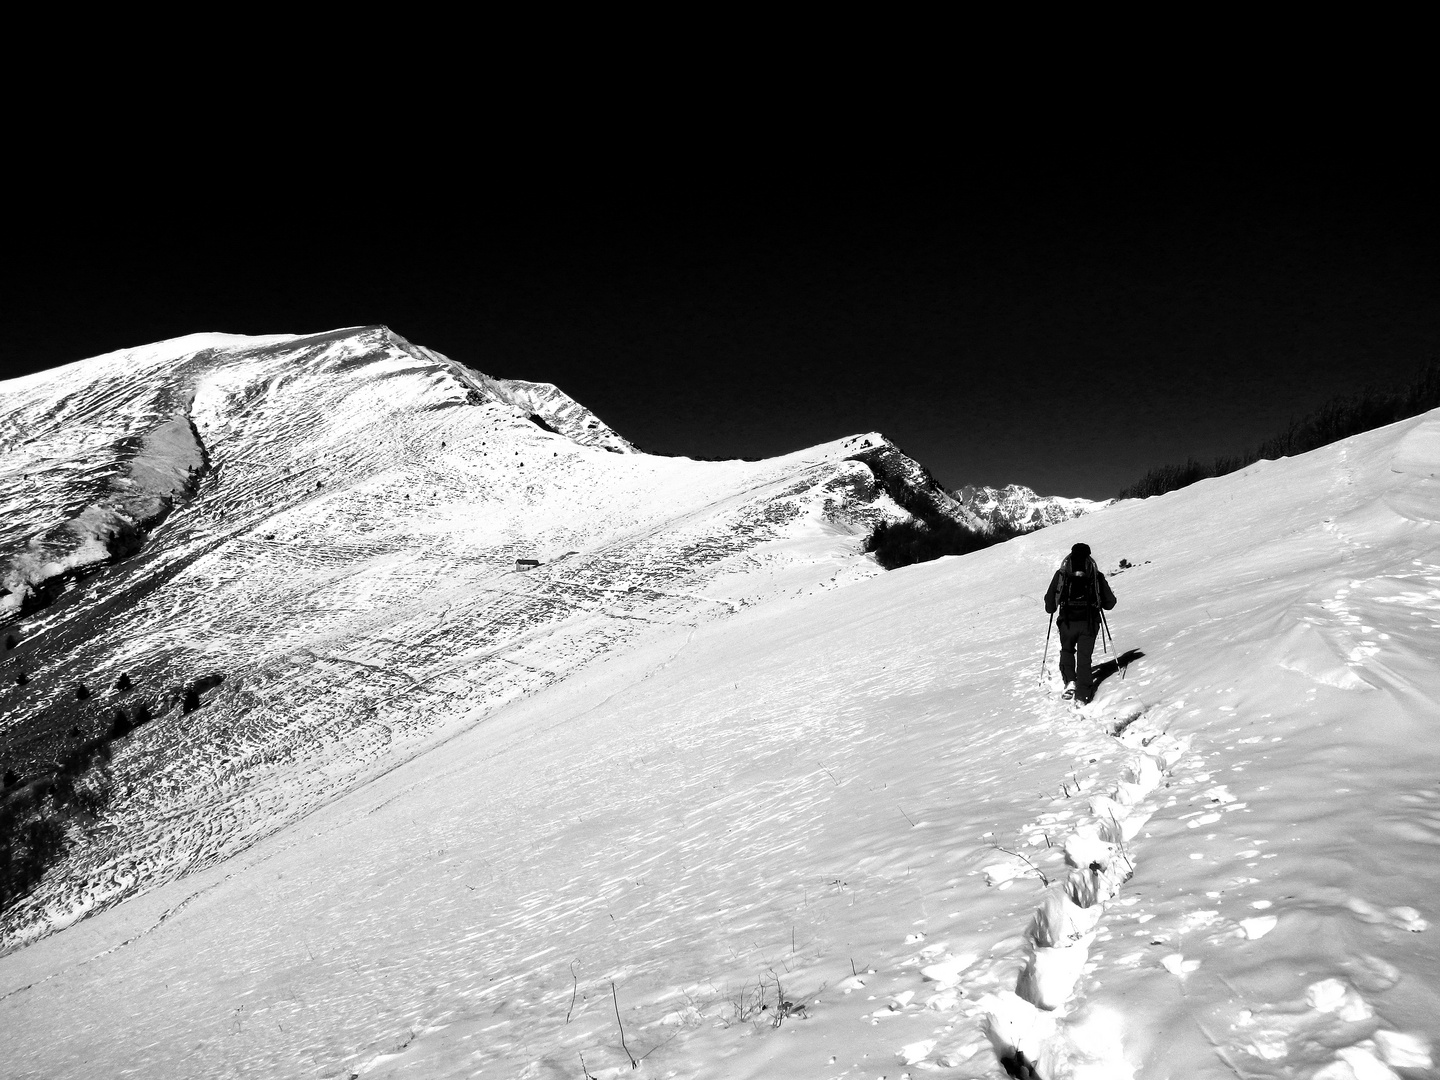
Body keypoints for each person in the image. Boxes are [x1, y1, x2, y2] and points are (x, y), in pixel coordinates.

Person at [1044, 542, 1116, 704]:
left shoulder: (1062, 574)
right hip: (1089, 622)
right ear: (1088, 557)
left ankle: (1070, 680)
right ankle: (1083, 695)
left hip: (1067, 622)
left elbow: (1050, 603)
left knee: (1067, 650)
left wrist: (1052, 607)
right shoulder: (1095, 575)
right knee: (1084, 657)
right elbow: (1109, 603)